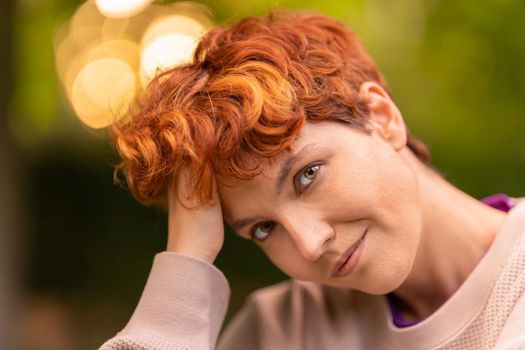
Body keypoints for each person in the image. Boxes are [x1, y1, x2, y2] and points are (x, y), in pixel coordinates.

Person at [99, 10, 525, 350]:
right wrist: (187, 259)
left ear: (381, 117)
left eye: (307, 175)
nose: (309, 243)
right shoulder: (285, 330)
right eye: (263, 228)